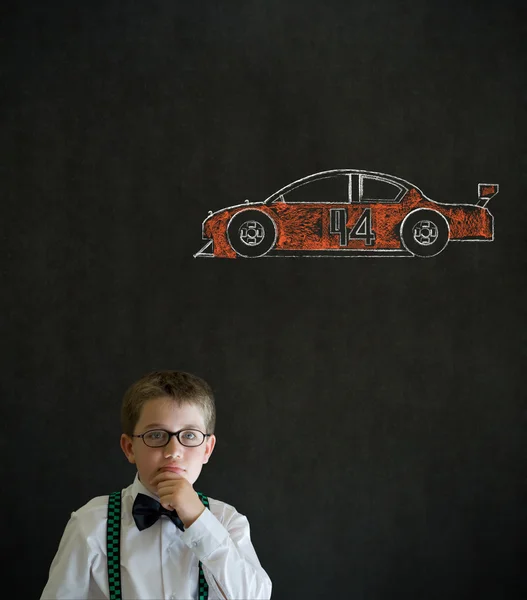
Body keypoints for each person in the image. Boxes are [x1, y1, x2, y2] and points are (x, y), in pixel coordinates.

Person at [40, 370, 272, 599]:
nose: (173, 452)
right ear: (129, 448)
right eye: (156, 435)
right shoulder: (90, 524)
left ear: (207, 449)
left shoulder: (227, 521)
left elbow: (255, 596)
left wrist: (200, 523)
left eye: (189, 435)